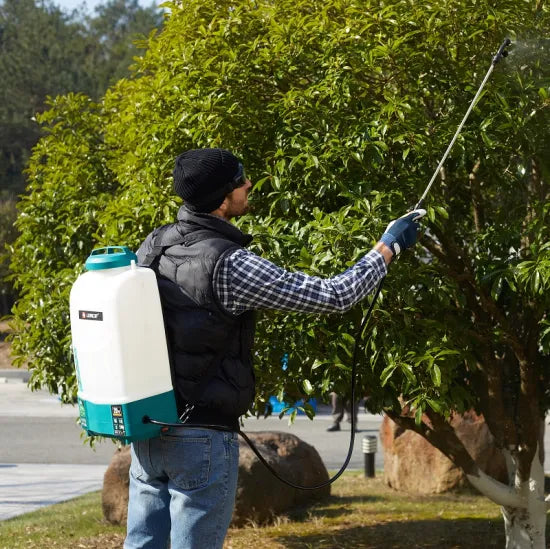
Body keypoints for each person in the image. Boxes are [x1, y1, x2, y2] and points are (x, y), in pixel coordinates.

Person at [125, 148, 425, 549]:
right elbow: (333, 296)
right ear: (221, 199)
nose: (249, 183)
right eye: (240, 179)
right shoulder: (229, 263)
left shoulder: (153, 244)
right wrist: (388, 246)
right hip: (201, 437)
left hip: (149, 431)